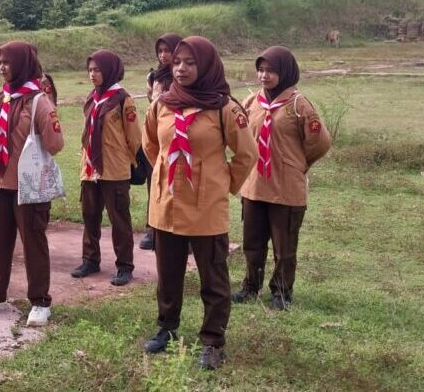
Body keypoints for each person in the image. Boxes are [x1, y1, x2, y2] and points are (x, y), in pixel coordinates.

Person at [141, 36, 257, 370]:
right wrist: (166, 173)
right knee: (168, 273)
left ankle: (212, 340)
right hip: (167, 206)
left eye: (190, 63)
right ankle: (167, 327)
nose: (181, 68)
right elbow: (150, 145)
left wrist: (221, 184)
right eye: (177, 62)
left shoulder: (224, 108)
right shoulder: (162, 104)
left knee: (213, 278)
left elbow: (246, 155)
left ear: (205, 65)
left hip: (206, 207)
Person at [0, 41, 64, 327]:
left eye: (8, 63)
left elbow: (56, 143)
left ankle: (39, 301)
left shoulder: (39, 101)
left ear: (22, 64)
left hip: (29, 187)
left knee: (33, 242)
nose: (2, 68)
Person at [232, 46, 331, 310]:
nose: (264, 76)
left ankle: (281, 292)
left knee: (284, 246)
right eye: (261, 70)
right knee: (252, 243)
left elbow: (319, 143)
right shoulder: (253, 102)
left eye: (271, 71)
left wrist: (297, 164)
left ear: (285, 72)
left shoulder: (299, 105)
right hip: (254, 186)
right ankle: (250, 286)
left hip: (286, 188)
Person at [72, 50, 140, 286]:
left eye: (98, 70)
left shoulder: (122, 99)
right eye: (90, 70)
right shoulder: (92, 97)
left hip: (114, 169)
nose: (93, 74)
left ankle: (125, 266)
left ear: (109, 70)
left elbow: (134, 138)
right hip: (90, 170)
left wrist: (127, 162)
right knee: (90, 216)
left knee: (119, 219)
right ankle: (90, 260)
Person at [141, 32, 182, 250]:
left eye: (168, 50)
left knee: (178, 182)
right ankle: (153, 228)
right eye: (160, 51)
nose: (164, 55)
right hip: (156, 134)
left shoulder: (183, 75)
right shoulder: (153, 77)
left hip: (179, 134)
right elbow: (151, 103)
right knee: (154, 182)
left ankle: (181, 229)